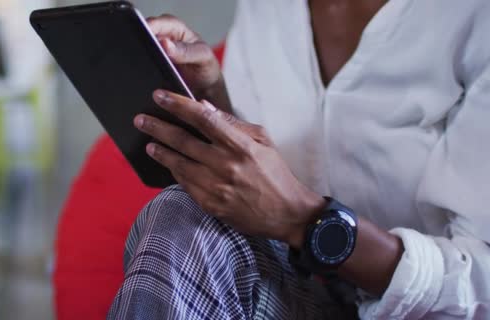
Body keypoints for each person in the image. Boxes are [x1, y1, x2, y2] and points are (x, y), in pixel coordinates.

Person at [108, 0, 490, 319]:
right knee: (184, 213)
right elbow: (260, 197)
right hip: (303, 296)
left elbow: (482, 283)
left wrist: (304, 219)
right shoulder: (268, 9)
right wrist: (214, 105)